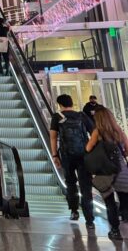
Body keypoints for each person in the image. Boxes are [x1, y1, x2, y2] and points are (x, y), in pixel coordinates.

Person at [50, 94, 95, 229]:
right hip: (84, 155)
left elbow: (53, 137)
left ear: (60, 105)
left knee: (71, 183)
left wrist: (55, 155)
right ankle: (89, 220)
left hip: (67, 155)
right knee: (86, 186)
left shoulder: (57, 117)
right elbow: (94, 132)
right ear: (71, 103)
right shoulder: (81, 116)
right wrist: (88, 148)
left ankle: (74, 211)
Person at [86, 107, 128, 241]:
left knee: (110, 204)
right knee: (125, 201)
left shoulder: (97, 132)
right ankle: (125, 219)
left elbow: (88, 148)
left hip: (106, 172)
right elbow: (127, 150)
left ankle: (115, 231)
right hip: (121, 170)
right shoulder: (119, 131)